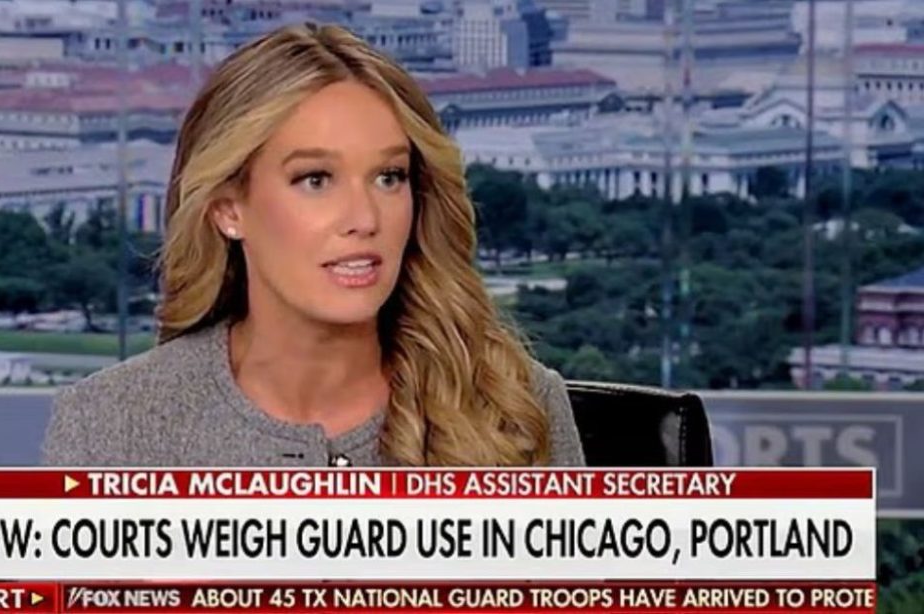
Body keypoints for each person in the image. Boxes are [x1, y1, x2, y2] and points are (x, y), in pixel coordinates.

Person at [42, 23, 585, 467]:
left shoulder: (516, 407)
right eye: (315, 179)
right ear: (229, 209)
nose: (364, 219)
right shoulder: (110, 426)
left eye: (389, 177)